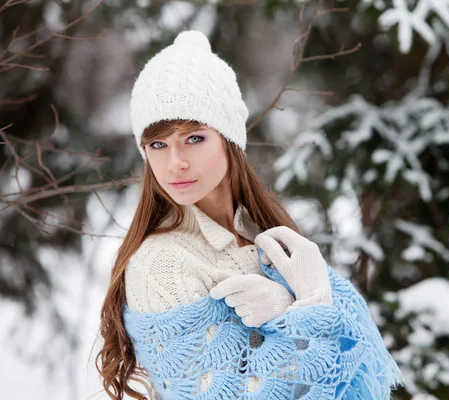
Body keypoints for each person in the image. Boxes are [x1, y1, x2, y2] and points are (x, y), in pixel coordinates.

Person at [96, 30, 402, 400]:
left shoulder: (264, 234)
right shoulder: (162, 264)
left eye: (194, 138)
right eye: (158, 144)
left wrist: (299, 305)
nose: (175, 163)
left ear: (229, 139)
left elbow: (361, 355)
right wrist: (304, 314)